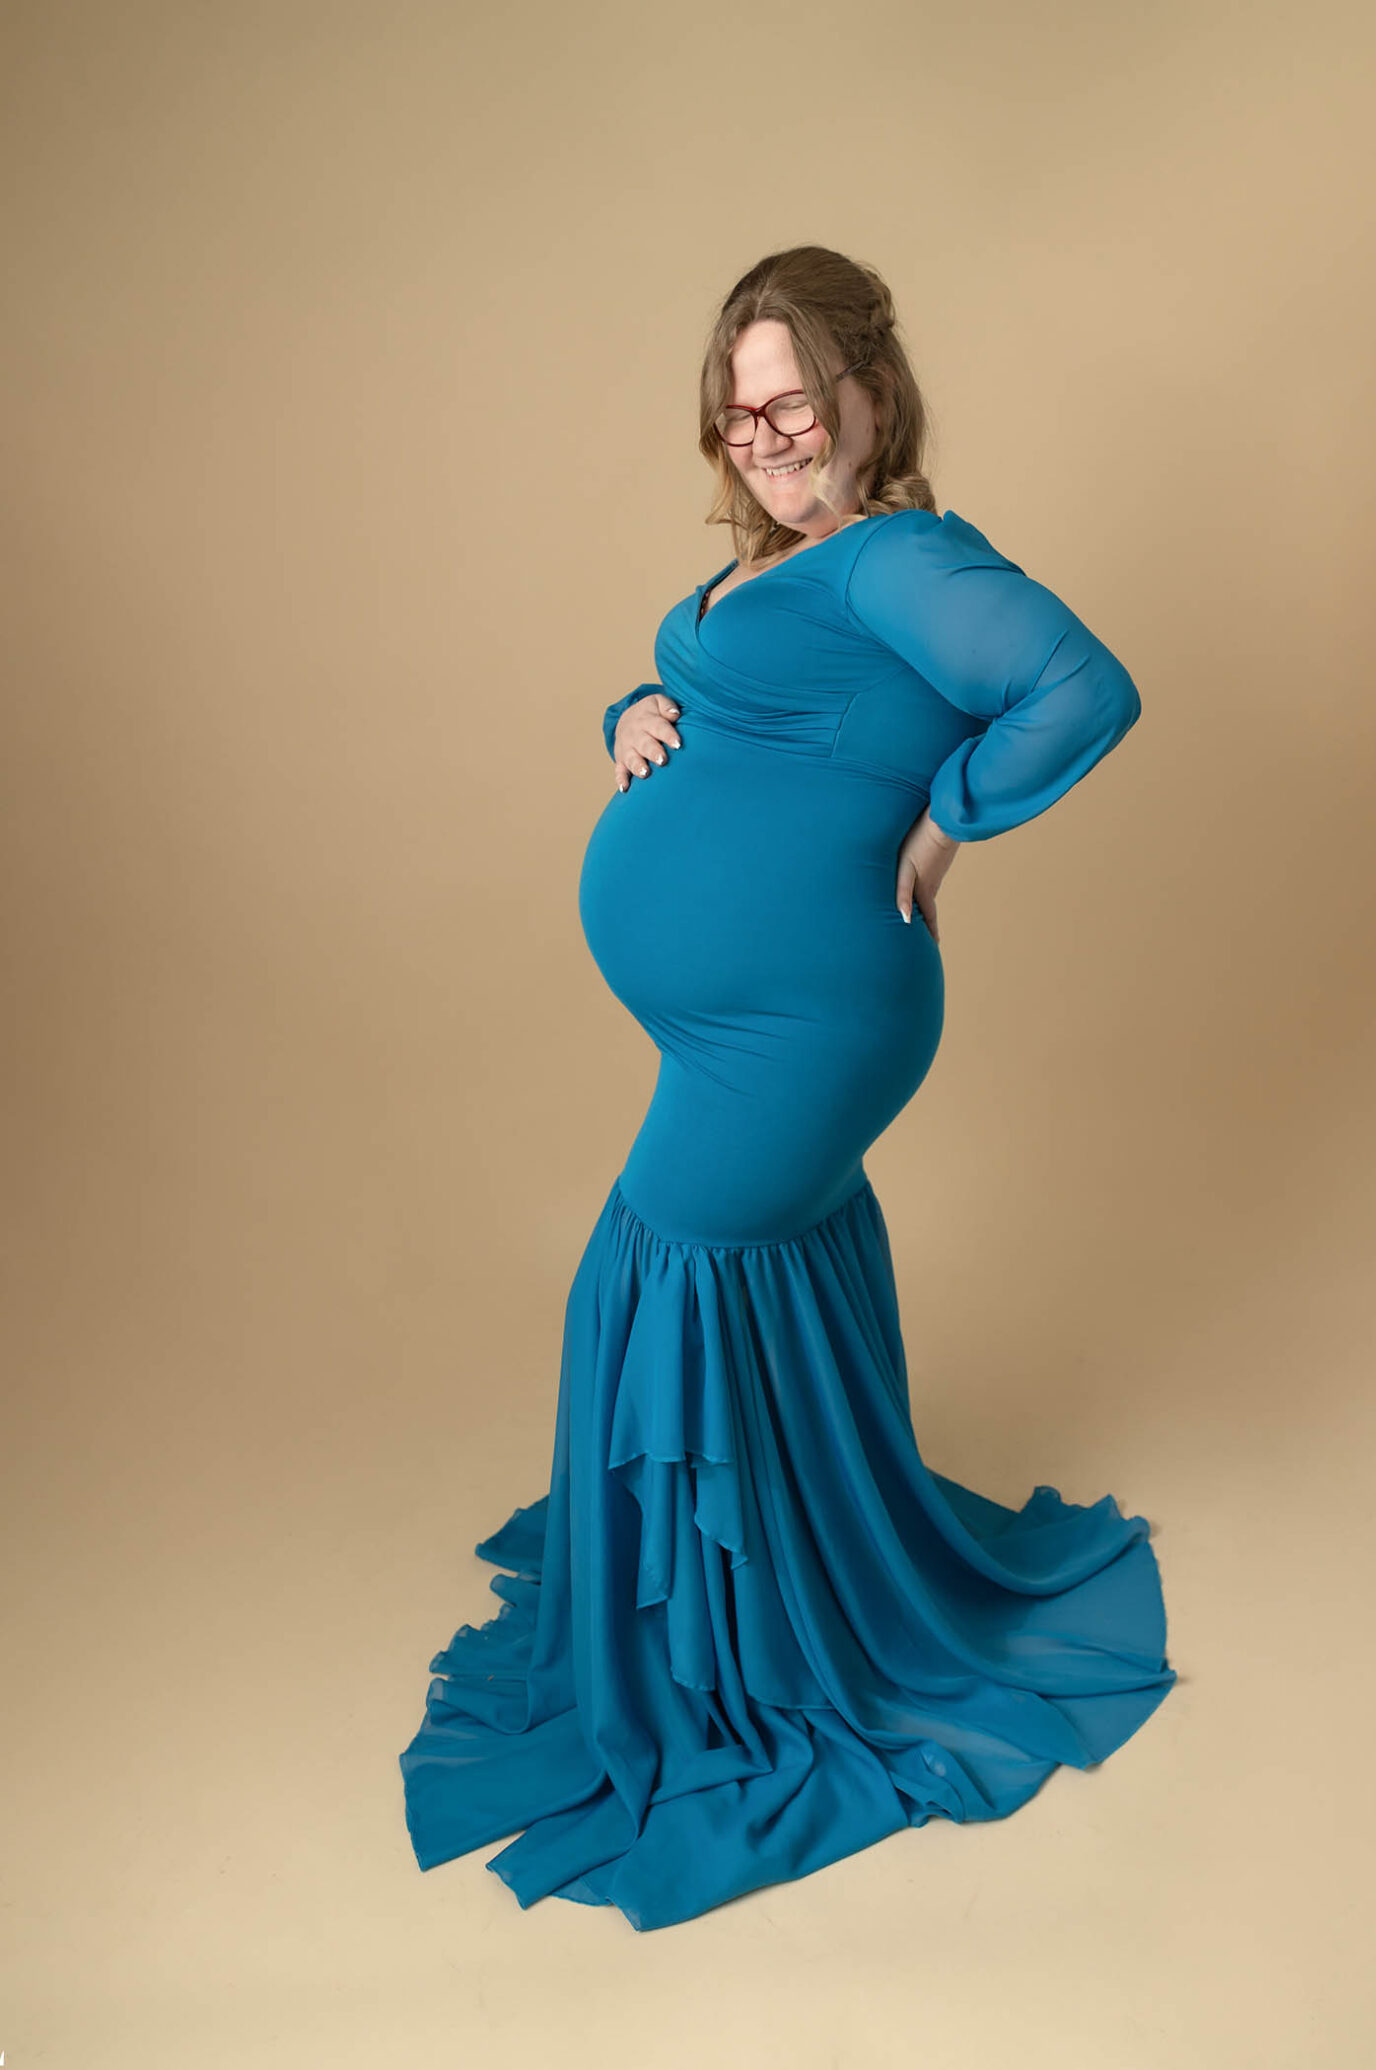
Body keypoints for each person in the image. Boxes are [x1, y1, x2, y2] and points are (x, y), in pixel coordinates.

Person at [399, 245, 1176, 1933]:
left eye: (792, 402)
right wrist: (634, 711)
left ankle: (723, 1659)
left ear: (867, 399)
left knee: (648, 1271)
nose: (764, 435)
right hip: (747, 1023)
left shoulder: (901, 558)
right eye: (736, 411)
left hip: (805, 1025)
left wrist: (950, 813)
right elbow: (728, 702)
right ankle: (783, 1587)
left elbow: (1080, 686)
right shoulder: (792, 567)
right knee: (744, 1290)